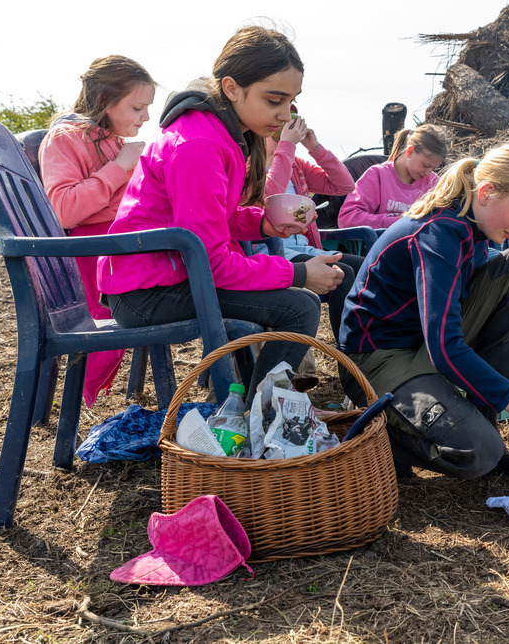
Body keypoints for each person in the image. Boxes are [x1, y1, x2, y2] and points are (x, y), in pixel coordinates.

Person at [97, 25, 344, 398]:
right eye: (274, 100)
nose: (284, 114)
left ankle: (257, 413)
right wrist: (297, 272)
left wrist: (262, 222)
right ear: (231, 88)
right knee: (298, 307)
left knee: (299, 303)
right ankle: (261, 420)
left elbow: (213, 220)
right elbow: (211, 262)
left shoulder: (215, 132)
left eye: (291, 101)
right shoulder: (200, 143)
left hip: (167, 276)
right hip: (146, 290)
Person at [337, 138, 509, 480]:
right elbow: (446, 347)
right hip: (377, 359)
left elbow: (459, 326)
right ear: (486, 193)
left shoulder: (476, 228)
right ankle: (370, 433)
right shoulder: (440, 233)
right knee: (478, 453)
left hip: (422, 347)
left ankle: (485, 422)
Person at [39, 55, 156, 407]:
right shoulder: (67, 137)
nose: (146, 117)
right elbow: (63, 210)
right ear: (105, 100)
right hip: (94, 259)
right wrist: (122, 167)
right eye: (137, 107)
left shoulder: (114, 141)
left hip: (121, 249)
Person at [264, 111, 361, 339]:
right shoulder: (249, 161)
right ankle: (345, 356)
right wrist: (285, 148)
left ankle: (364, 348)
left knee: (368, 267)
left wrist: (314, 147)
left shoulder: (295, 165)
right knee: (343, 274)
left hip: (304, 248)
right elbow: (269, 196)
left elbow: (344, 186)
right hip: (272, 251)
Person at [337, 124, 447, 229]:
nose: (428, 173)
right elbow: (346, 219)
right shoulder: (377, 176)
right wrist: (398, 222)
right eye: (426, 165)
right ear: (410, 151)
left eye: (433, 168)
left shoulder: (434, 183)